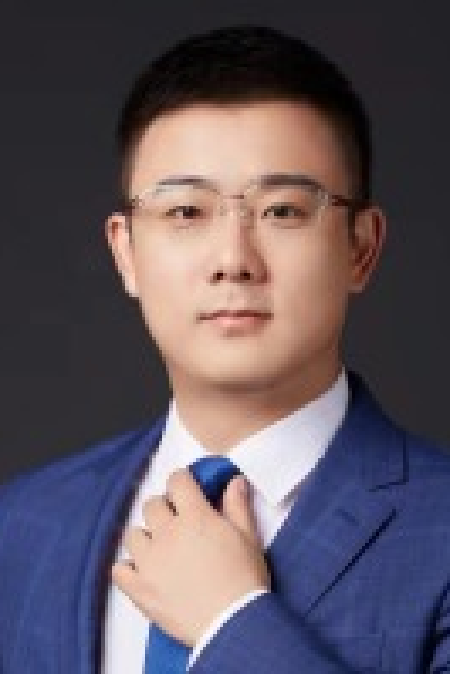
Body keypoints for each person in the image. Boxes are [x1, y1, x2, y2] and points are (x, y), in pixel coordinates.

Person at [1, 23, 449, 674]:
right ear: (126, 253)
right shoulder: (22, 525)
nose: (233, 261)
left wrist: (231, 623)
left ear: (361, 247)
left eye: (282, 211)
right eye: (186, 212)